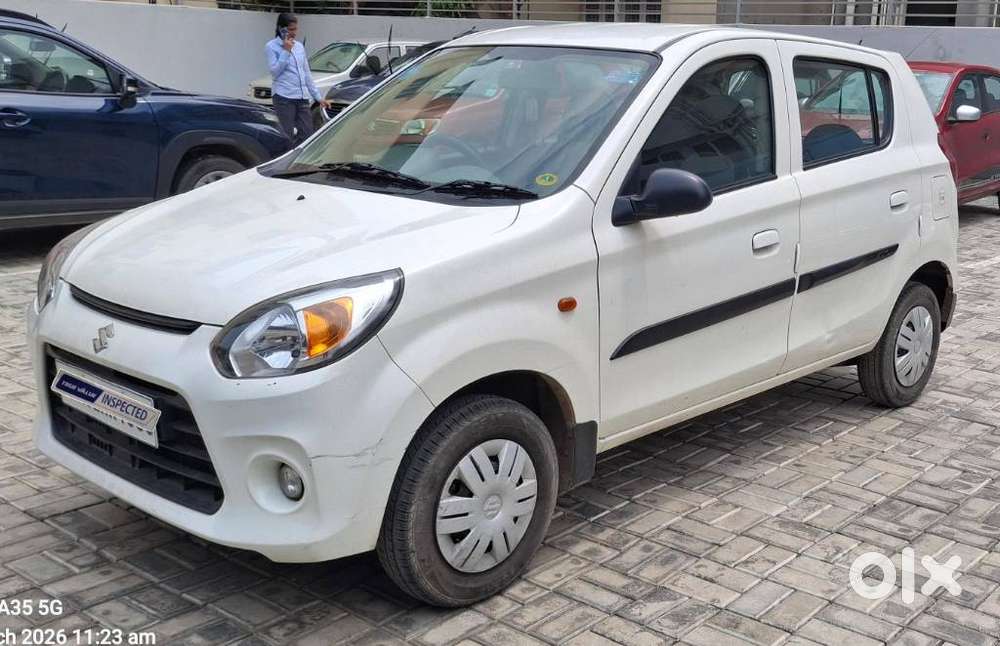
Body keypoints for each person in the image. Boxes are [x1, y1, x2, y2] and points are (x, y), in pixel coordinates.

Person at [266, 13, 330, 145]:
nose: (294, 33)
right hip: (284, 97)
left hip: (301, 98)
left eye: (295, 29)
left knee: (307, 134)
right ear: (281, 29)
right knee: (286, 137)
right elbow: (274, 72)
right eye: (290, 29)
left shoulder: (299, 46)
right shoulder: (271, 47)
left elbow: (306, 73)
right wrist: (286, 51)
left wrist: (318, 98)